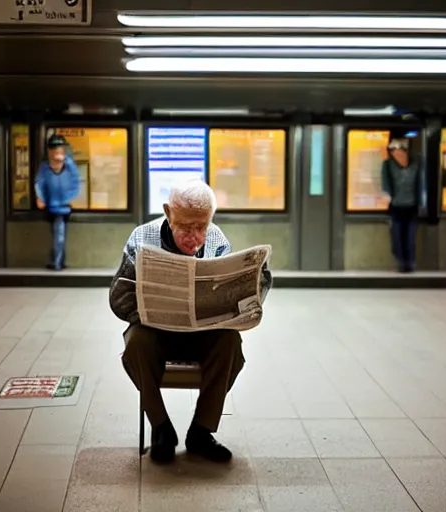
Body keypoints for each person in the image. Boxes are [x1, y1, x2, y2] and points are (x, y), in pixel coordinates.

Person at [110, 180, 272, 464]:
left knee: (230, 344)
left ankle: (201, 431)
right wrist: (151, 311)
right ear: (168, 213)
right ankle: (161, 428)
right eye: (185, 227)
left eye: (201, 227)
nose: (194, 237)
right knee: (135, 345)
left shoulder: (216, 238)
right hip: (155, 333)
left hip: (201, 334)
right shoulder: (142, 237)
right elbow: (118, 299)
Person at [35, 134, 80, 270]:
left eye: (60, 150)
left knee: (58, 235)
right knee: (57, 234)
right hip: (51, 206)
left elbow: (75, 181)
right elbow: (39, 183)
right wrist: (40, 198)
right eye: (55, 150)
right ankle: (57, 260)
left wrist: (69, 198)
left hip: (63, 207)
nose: (57, 153)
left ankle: (57, 262)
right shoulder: (45, 167)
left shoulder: (69, 165)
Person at [381, 136, 423, 273]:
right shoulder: (388, 164)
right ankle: (404, 261)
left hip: (408, 207)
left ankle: (408, 262)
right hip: (398, 206)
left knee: (407, 237)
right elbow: (386, 184)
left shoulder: (416, 163)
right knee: (399, 237)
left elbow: (421, 185)